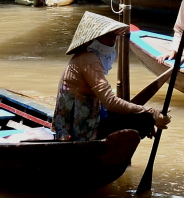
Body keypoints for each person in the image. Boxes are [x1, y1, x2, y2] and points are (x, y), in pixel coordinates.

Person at [54, 11, 170, 141]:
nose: (113, 40)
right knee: (145, 120)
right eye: (108, 35)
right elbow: (110, 102)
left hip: (79, 122)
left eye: (114, 35)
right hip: (81, 129)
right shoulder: (89, 59)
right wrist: (149, 112)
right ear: (93, 39)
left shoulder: (84, 56)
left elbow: (105, 103)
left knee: (141, 118)